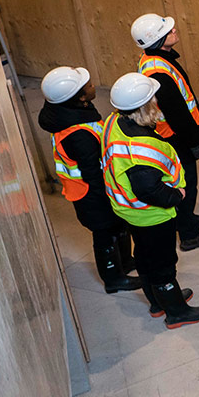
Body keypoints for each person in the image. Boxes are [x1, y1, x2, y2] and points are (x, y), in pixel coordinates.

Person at [102, 72, 199, 329]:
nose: (156, 102)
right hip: (151, 215)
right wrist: (176, 196)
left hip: (129, 211)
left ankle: (158, 301)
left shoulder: (113, 123)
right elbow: (148, 189)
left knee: (144, 255)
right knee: (163, 262)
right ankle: (176, 311)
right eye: (152, 99)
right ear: (144, 107)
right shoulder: (141, 146)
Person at [38, 66, 141, 294]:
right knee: (105, 235)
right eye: (89, 86)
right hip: (91, 195)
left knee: (119, 227)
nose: (93, 86)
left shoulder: (72, 113)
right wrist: (109, 196)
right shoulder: (78, 134)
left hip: (94, 191)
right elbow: (92, 172)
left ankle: (126, 262)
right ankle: (113, 278)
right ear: (81, 98)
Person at [132, 13, 199, 251]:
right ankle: (189, 234)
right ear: (158, 40)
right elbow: (177, 113)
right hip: (176, 137)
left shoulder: (156, 59)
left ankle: (187, 219)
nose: (174, 31)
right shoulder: (158, 71)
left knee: (185, 183)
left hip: (175, 134)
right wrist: (196, 142)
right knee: (186, 184)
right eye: (168, 31)